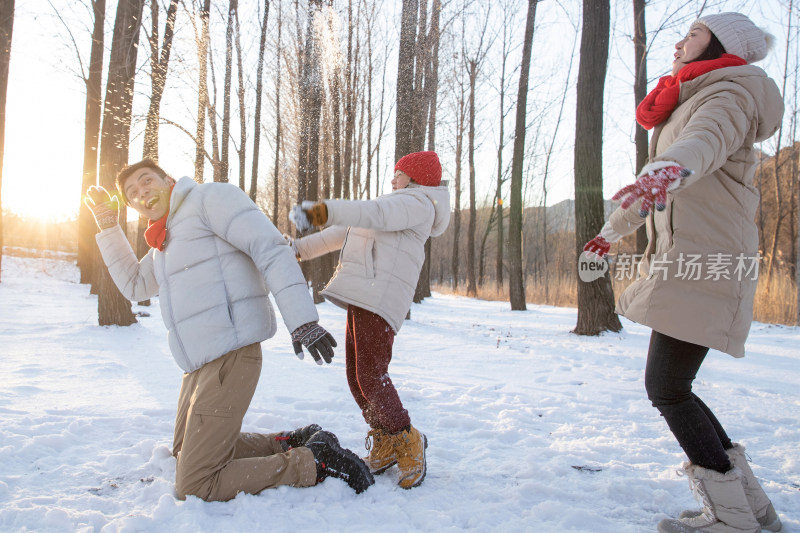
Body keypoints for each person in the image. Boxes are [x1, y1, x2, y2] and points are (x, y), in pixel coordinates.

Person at [584, 13, 784, 533]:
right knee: (675, 386)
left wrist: (666, 170)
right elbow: (663, 183)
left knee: (667, 387)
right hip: (688, 260)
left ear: (720, 44)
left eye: (693, 34)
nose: (679, 42)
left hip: (708, 262)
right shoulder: (695, 95)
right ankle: (753, 511)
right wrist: (611, 231)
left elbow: (700, 146)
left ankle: (733, 518)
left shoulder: (730, 94)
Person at [83, 159, 374, 501]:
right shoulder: (164, 242)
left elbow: (268, 247)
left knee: (195, 483)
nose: (141, 192)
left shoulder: (209, 200)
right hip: (198, 365)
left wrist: (303, 321)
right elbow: (134, 285)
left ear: (168, 179)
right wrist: (106, 224)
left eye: (146, 181)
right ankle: (288, 442)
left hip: (230, 352)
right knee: (184, 455)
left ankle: (313, 462)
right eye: (132, 193)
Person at [287, 151, 450, 489]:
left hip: (381, 297)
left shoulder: (417, 203)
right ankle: (387, 437)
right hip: (366, 296)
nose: (393, 180)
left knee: (371, 375)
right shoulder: (398, 204)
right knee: (356, 376)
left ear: (416, 179)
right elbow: (343, 232)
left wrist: (321, 209)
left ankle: (407, 438)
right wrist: (298, 249)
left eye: (400, 174)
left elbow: (371, 212)